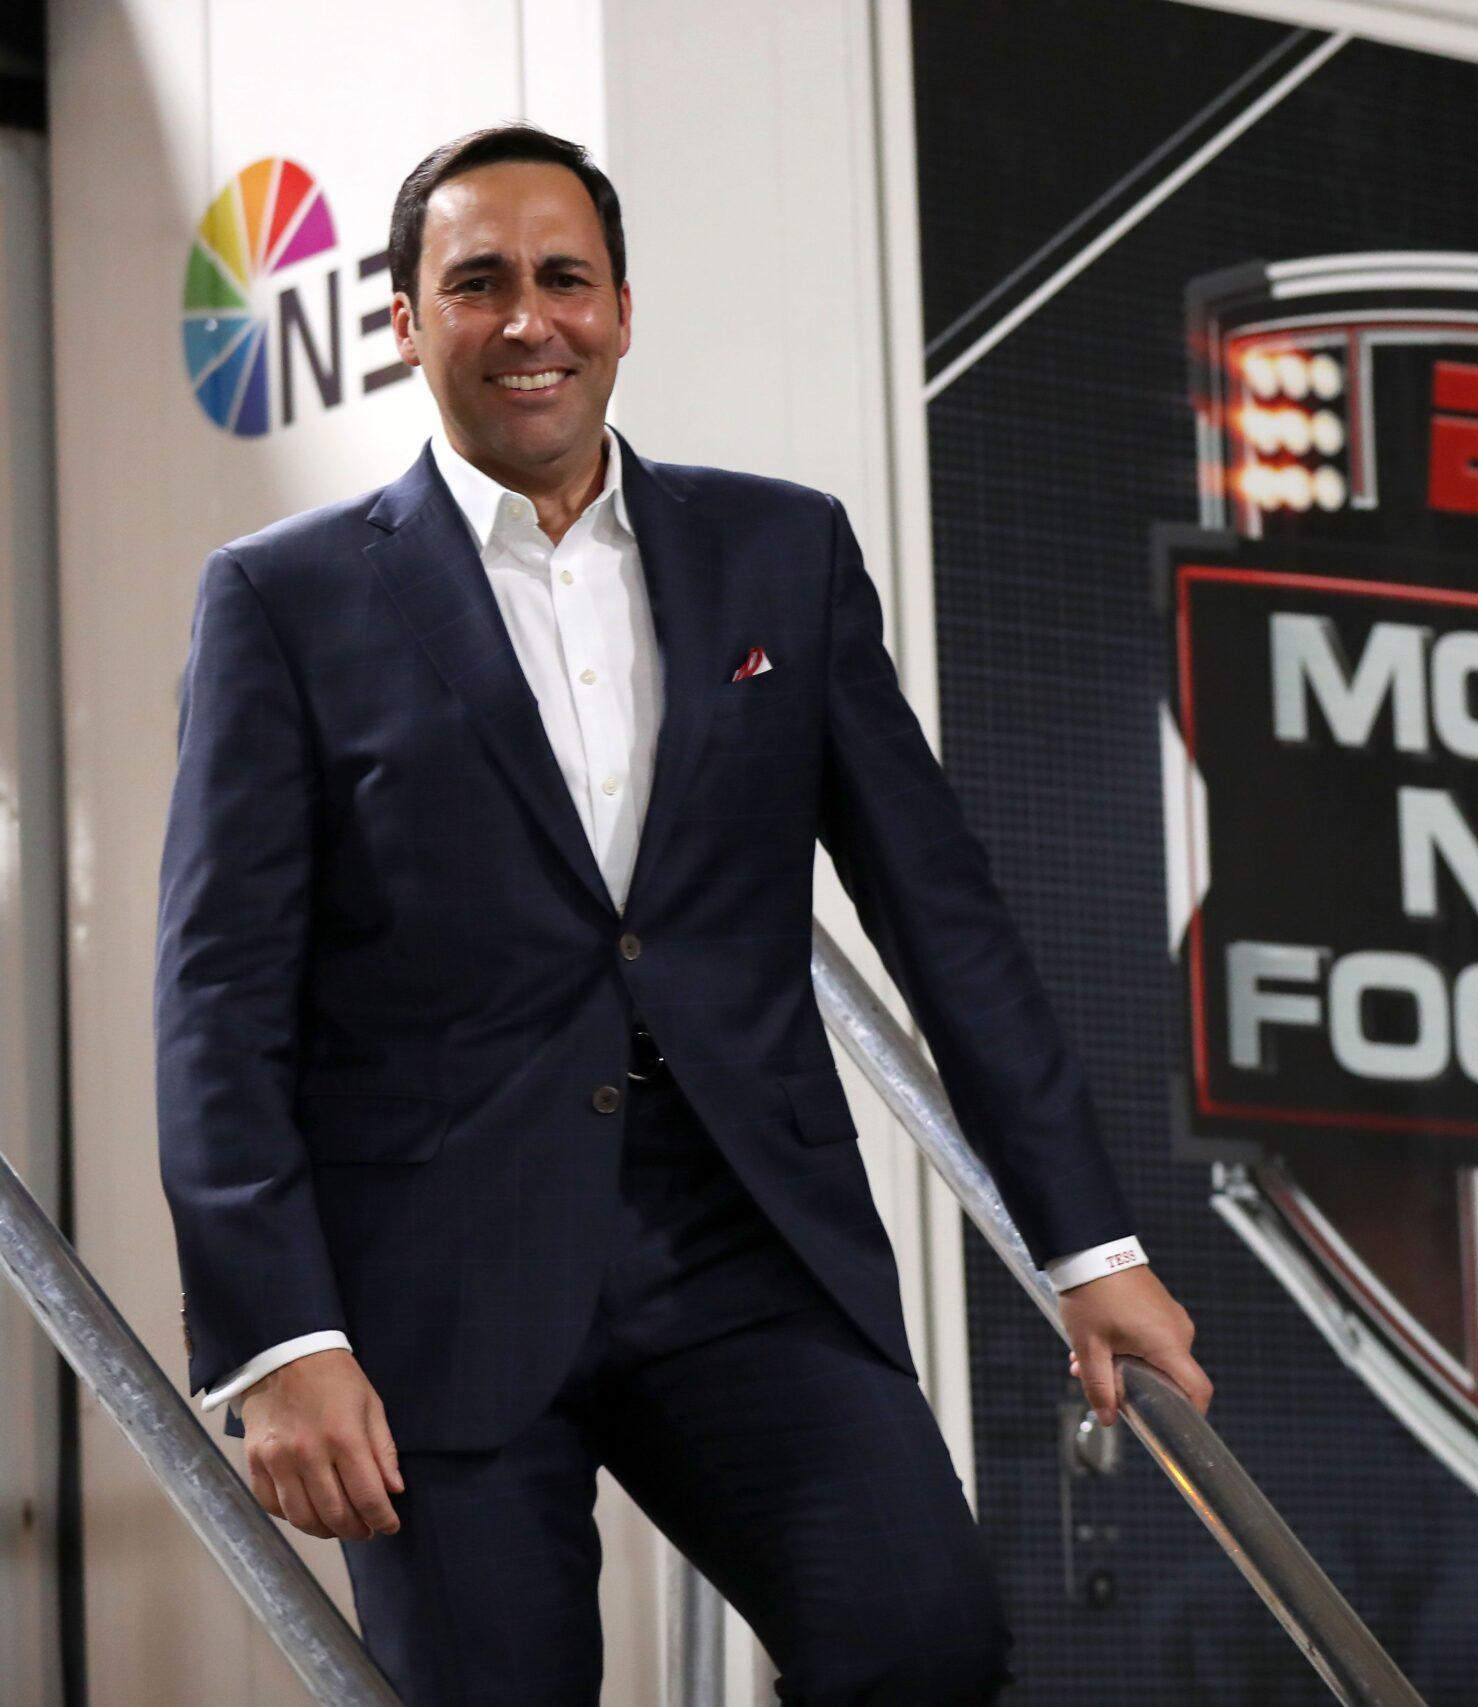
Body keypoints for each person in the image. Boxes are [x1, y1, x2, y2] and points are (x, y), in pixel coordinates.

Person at [153, 122, 1209, 1705]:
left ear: (623, 310)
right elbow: (218, 1002)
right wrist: (279, 1341)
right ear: (406, 321)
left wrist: (1090, 1248)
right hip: (436, 1288)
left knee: (924, 1643)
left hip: (743, 1245)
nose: (531, 320)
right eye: (479, 283)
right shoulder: (284, 598)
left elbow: (945, 917)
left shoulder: (781, 551)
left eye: (565, 278)